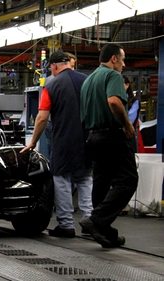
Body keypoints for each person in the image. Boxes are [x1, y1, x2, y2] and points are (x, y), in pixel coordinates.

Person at [21, 51, 92, 238]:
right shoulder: (87, 81)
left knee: (61, 179)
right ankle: (90, 221)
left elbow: (42, 117)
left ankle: (66, 225)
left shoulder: (51, 85)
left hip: (63, 140)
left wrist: (33, 142)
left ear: (53, 66)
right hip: (87, 139)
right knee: (85, 179)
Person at [80, 43, 138, 248]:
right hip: (113, 135)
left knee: (102, 182)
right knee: (128, 180)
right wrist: (127, 124)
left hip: (93, 137)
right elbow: (114, 101)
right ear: (113, 59)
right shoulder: (112, 76)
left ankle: (104, 231)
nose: (123, 64)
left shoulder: (88, 80)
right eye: (122, 59)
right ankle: (96, 220)